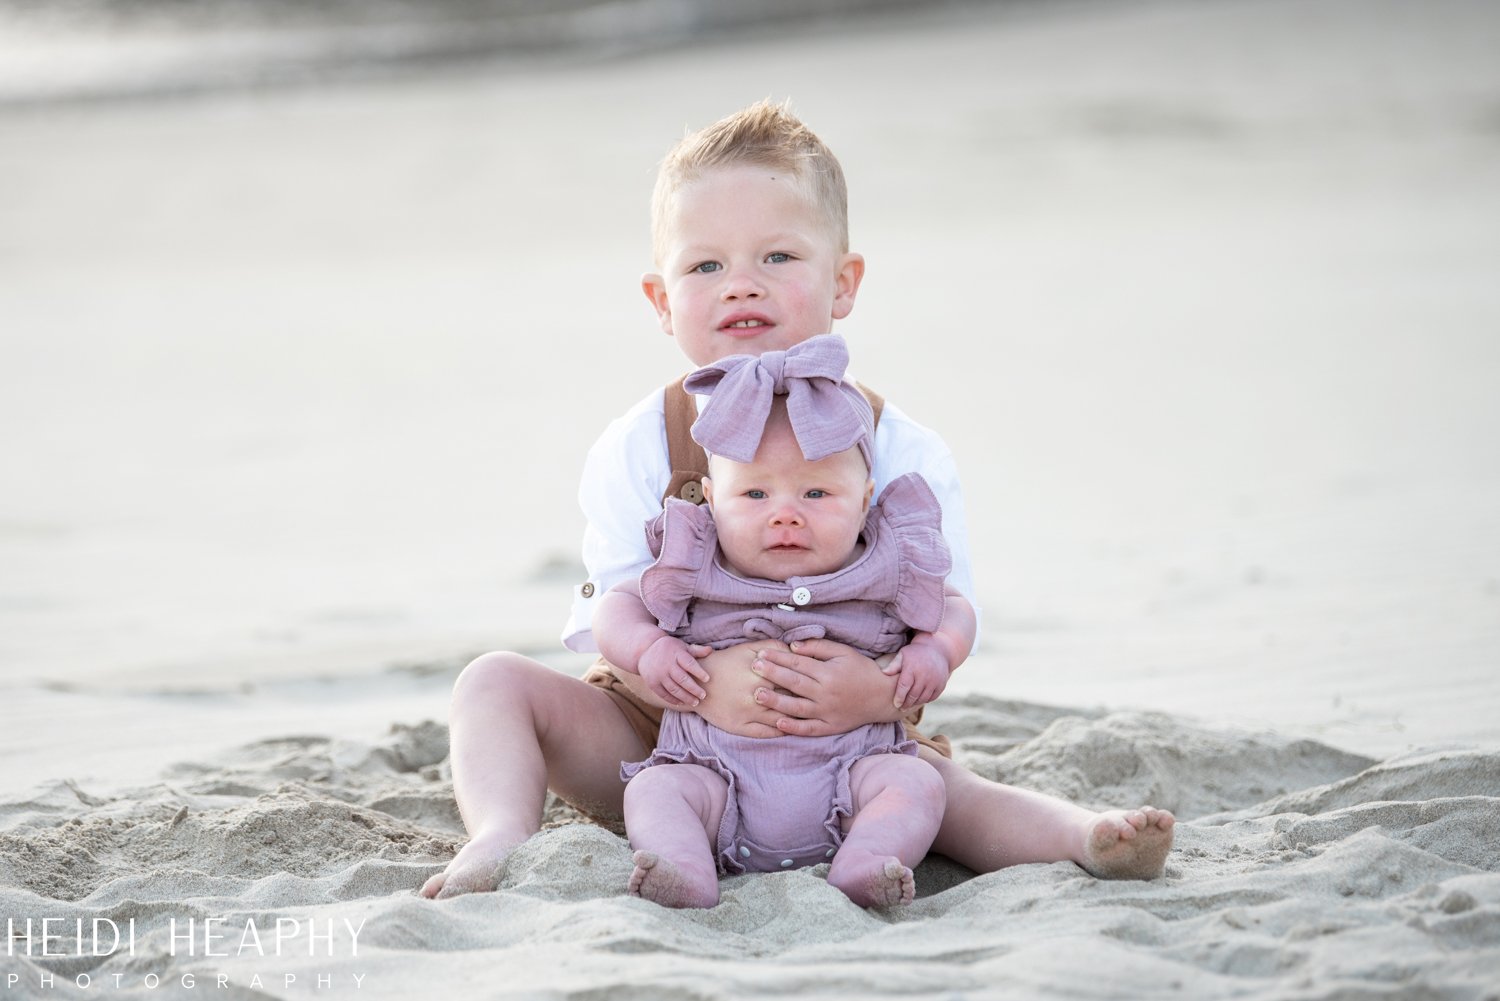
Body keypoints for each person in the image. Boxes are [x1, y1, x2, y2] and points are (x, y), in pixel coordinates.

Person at [419, 99, 1173, 901]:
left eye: (777, 256)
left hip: (846, 731)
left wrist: (875, 691)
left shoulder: (901, 448)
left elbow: (947, 612)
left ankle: (1080, 836)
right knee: (492, 682)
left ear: (843, 282)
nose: (740, 283)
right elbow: (615, 607)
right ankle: (501, 831)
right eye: (705, 266)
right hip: (668, 733)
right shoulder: (641, 442)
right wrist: (694, 677)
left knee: (942, 790)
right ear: (660, 300)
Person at [596, 335, 970, 908]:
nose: (786, 513)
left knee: (916, 782)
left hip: (851, 773)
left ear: (865, 499)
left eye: (817, 492)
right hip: (714, 776)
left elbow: (953, 609)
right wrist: (648, 649)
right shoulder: (695, 558)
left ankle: (864, 861)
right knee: (655, 788)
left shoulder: (885, 562)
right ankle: (687, 868)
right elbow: (615, 608)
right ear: (713, 501)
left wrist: (936, 651)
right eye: (755, 493)